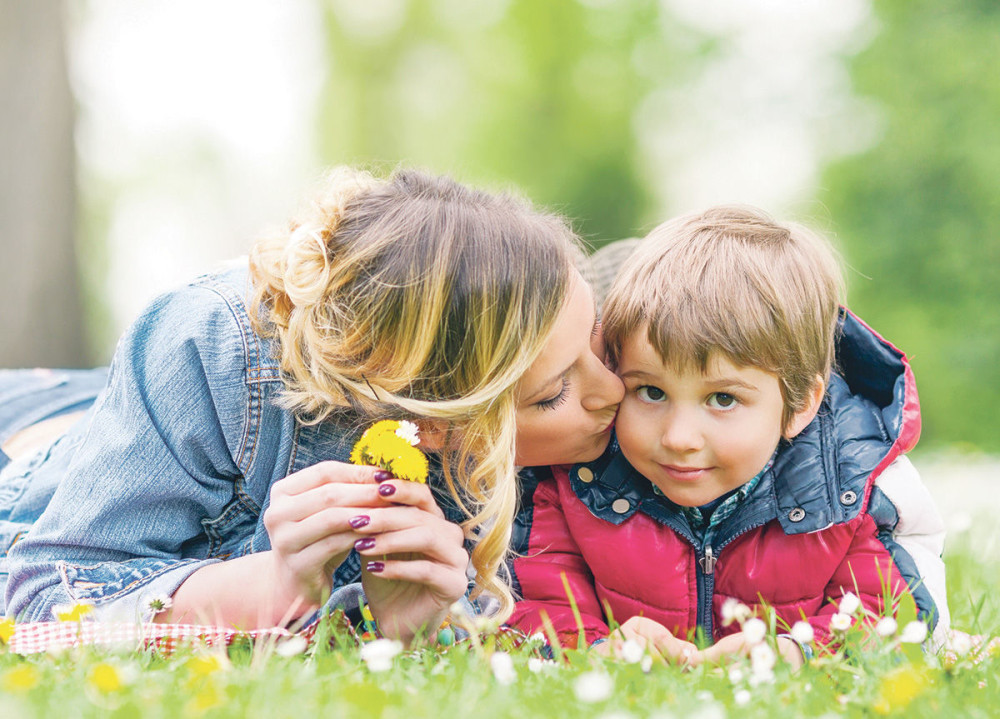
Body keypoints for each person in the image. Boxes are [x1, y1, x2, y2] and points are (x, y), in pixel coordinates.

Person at [0, 167, 624, 644]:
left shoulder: (624, 418)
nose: (614, 390)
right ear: (430, 426)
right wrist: (279, 587)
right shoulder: (210, 347)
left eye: (595, 338)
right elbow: (46, 603)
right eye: (553, 393)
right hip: (32, 432)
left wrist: (410, 628)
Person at [509, 206, 948, 665]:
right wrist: (598, 651)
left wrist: (798, 654)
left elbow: (892, 611)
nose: (679, 438)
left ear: (801, 403)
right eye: (651, 392)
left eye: (722, 399)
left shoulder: (846, 486)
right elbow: (534, 599)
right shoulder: (580, 477)